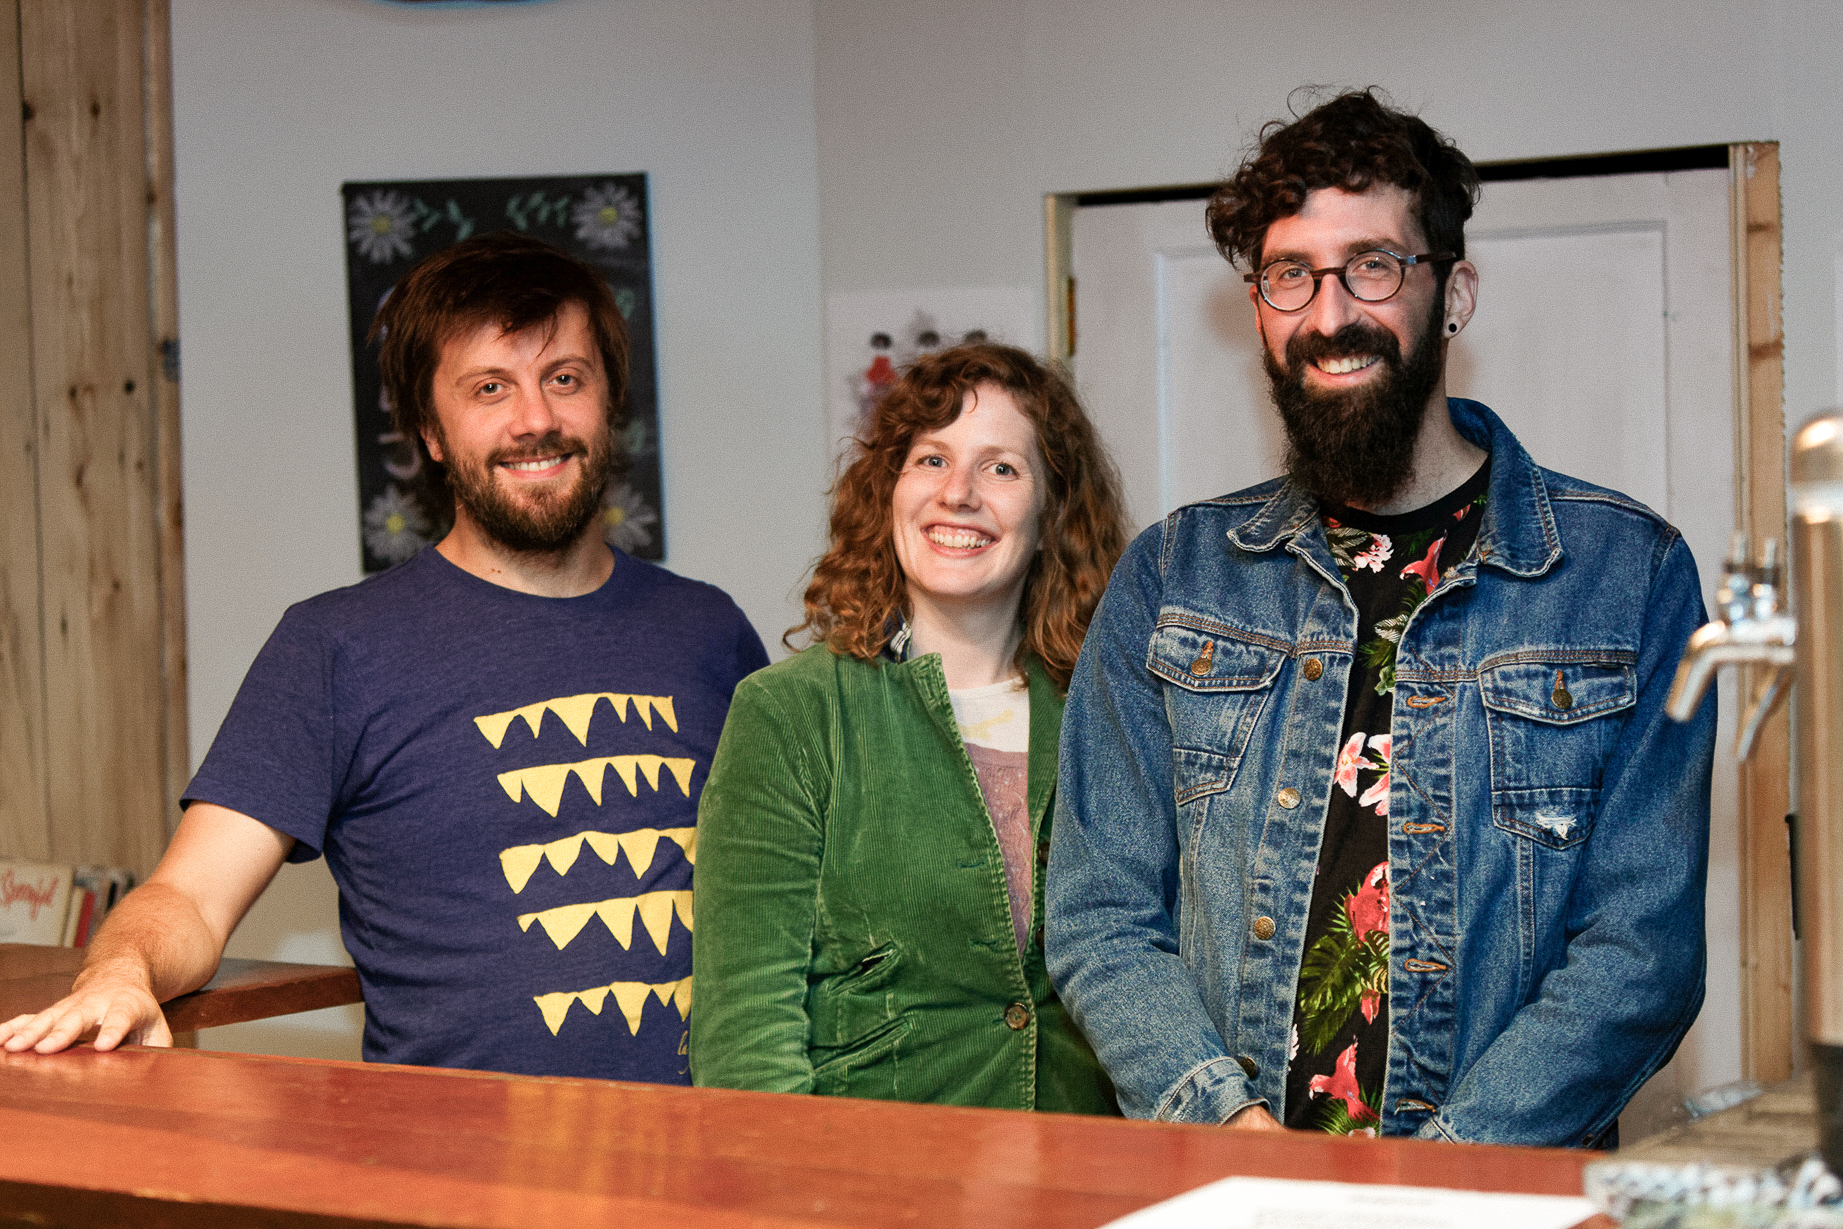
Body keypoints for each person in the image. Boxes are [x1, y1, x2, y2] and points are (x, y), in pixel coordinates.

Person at [1046, 90, 1715, 1146]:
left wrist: (1438, 1177)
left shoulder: (1627, 575)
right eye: (1287, 274)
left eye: (1372, 265)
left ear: (1452, 293)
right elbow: (1099, 911)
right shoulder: (1172, 576)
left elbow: (1642, 950)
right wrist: (1227, 1126)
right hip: (1230, 1188)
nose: (1327, 314)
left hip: (1494, 1199)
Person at [0, 232, 768, 1082]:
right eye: (489, 388)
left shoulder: (710, 631)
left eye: (565, 378)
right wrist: (121, 970)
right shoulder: (335, 647)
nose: (536, 419)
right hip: (455, 1187)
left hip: (720, 1158)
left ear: (607, 400)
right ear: (430, 434)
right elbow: (189, 894)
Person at [691, 343, 1126, 1111]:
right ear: (888, 490)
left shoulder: (1112, 713)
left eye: (1001, 468)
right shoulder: (791, 714)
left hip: (1087, 1179)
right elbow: (746, 1036)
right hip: (877, 1187)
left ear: (1052, 510)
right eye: (930, 460)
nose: (957, 493)